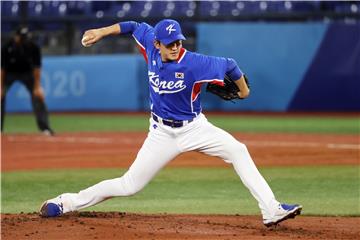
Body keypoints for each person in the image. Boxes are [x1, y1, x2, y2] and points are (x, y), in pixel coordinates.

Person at [39, 19, 301, 227]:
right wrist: (102, 31)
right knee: (129, 185)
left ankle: (271, 209)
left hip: (196, 128)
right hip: (161, 133)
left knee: (238, 150)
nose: (175, 46)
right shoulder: (150, 46)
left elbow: (231, 65)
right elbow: (132, 26)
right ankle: (66, 202)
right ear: (157, 43)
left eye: (178, 41)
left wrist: (244, 92)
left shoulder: (196, 63)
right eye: (169, 43)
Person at [1, 27, 54, 136]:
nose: (24, 41)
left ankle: (45, 128)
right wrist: (0, 87)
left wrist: (37, 87)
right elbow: (2, 69)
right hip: (9, 74)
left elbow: (37, 68)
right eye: (21, 38)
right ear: (16, 37)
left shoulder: (33, 47)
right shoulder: (6, 47)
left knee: (37, 96)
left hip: (27, 74)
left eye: (25, 38)